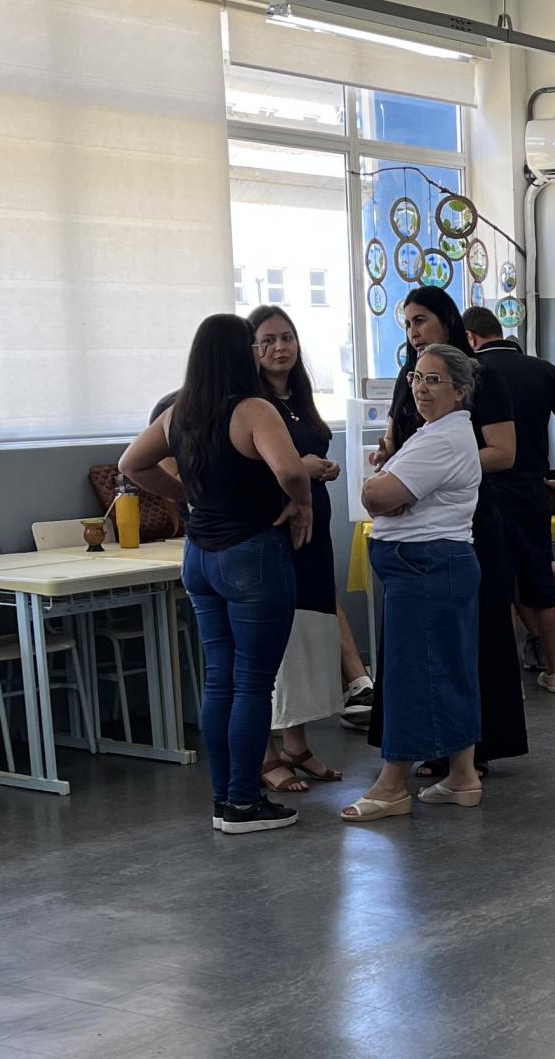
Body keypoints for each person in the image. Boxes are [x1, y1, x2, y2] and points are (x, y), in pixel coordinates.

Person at [119, 313, 313, 833]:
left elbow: (131, 465)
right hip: (251, 554)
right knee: (252, 685)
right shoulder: (254, 410)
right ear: (245, 354)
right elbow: (290, 469)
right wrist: (302, 504)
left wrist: (187, 496)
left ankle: (225, 799)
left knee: (220, 680)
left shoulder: (177, 413)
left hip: (200, 558)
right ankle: (245, 805)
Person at [367, 290, 527, 772]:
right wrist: (392, 458)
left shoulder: (480, 376)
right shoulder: (409, 376)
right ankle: (425, 746)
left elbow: (503, 451)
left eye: (420, 321)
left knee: (465, 643)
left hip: (463, 524)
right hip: (411, 524)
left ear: (447, 320)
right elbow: (398, 442)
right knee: (414, 650)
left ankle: (469, 753)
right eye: (407, 324)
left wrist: (433, 470)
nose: (413, 332)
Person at [344, 343, 484, 820]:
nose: (420, 388)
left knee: (410, 676)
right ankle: (462, 775)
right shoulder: (436, 433)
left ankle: (391, 786)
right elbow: (391, 495)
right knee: (448, 670)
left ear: (460, 391)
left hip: (426, 566)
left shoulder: (442, 439)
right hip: (434, 564)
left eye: (433, 380)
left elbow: (378, 497)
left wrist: (378, 486)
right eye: (416, 378)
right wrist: (390, 488)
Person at [247, 305, 367, 791]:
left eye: (287, 337)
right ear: (251, 349)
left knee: (306, 638)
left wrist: (321, 468)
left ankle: (296, 744)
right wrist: (304, 468)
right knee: (274, 644)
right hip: (278, 532)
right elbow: (258, 468)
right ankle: (266, 755)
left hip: (314, 534)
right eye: (268, 340)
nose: (280, 348)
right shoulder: (251, 404)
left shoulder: (298, 397)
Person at [463, 306, 555, 692]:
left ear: (470, 338)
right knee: (541, 582)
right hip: (533, 494)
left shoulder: (470, 372)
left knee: (497, 586)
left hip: (485, 493)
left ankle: (506, 682)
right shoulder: (543, 370)